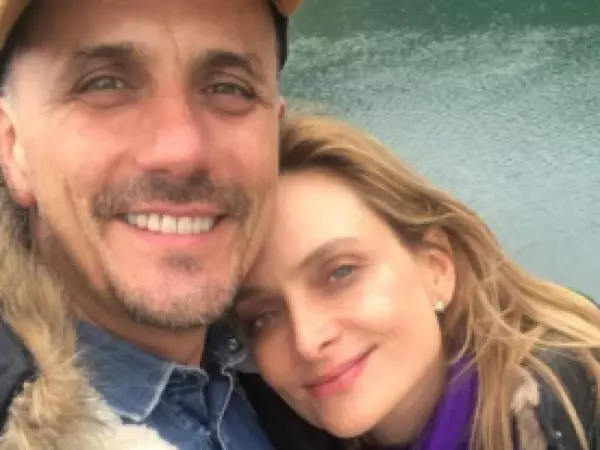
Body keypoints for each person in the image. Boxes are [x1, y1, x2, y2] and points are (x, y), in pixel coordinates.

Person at [0, 1, 343, 449]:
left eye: (230, 88)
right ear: (12, 148)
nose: (181, 151)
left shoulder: (309, 374)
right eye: (104, 84)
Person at [234, 113, 600, 450]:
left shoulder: (568, 416)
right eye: (263, 317)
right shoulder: (262, 426)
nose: (307, 341)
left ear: (436, 269)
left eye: (341, 273)